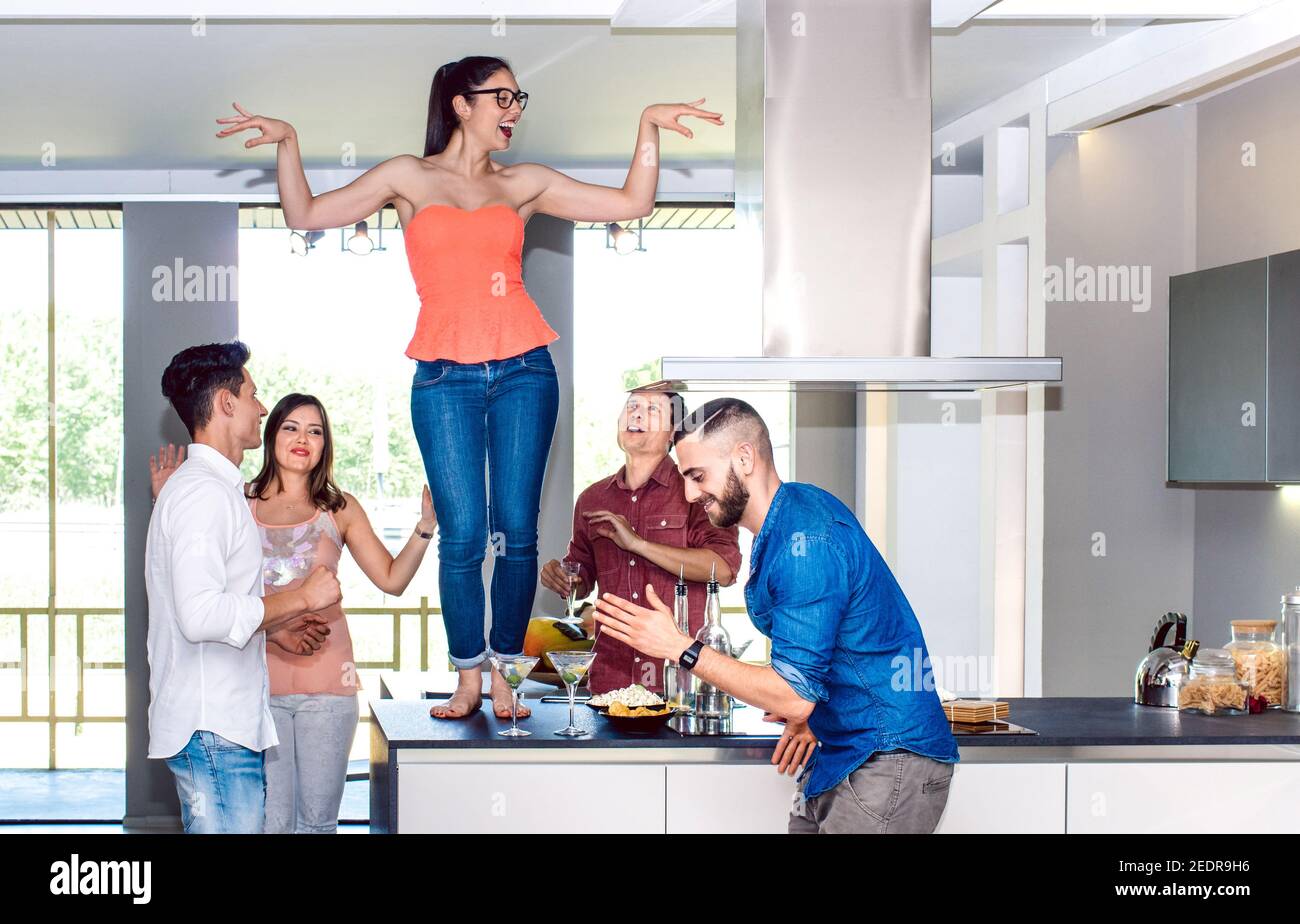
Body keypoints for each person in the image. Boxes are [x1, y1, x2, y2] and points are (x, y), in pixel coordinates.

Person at [214, 56, 723, 721]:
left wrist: (649, 124)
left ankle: (506, 673)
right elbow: (304, 213)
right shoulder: (407, 176)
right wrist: (288, 144)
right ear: (460, 103)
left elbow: (634, 203)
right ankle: (466, 677)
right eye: (503, 96)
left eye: (519, 98)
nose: (515, 109)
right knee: (462, 534)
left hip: (523, 370)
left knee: (516, 529)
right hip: (443, 376)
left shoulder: (524, 184)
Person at [593, 397, 960, 834]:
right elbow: (813, 669)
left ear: (744, 457)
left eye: (697, 476)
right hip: (844, 753)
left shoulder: (805, 541)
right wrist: (809, 712)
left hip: (887, 757)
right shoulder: (790, 517)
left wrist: (681, 648)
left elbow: (792, 694)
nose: (690, 494)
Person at [150, 393, 438, 833]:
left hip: (328, 686)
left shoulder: (339, 508)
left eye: (315, 430)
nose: (303, 438)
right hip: (251, 690)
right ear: (271, 435)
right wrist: (166, 499)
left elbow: (392, 580)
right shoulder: (235, 499)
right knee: (272, 823)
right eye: (291, 427)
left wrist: (425, 528)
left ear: (325, 445)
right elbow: (200, 582)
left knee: (318, 824)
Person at [146, 342, 339, 834]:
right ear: (226, 403)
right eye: (253, 395)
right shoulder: (203, 494)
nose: (260, 408)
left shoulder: (213, 490)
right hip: (213, 730)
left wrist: (273, 632)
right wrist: (303, 597)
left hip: (221, 727)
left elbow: (208, 605)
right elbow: (199, 616)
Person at [539, 388, 741, 693]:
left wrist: (639, 544)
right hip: (610, 679)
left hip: (678, 680)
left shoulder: (698, 491)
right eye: (632, 406)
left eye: (652, 410)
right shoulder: (592, 499)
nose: (636, 413)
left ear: (672, 432)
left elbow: (723, 568)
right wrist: (564, 579)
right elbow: (581, 582)